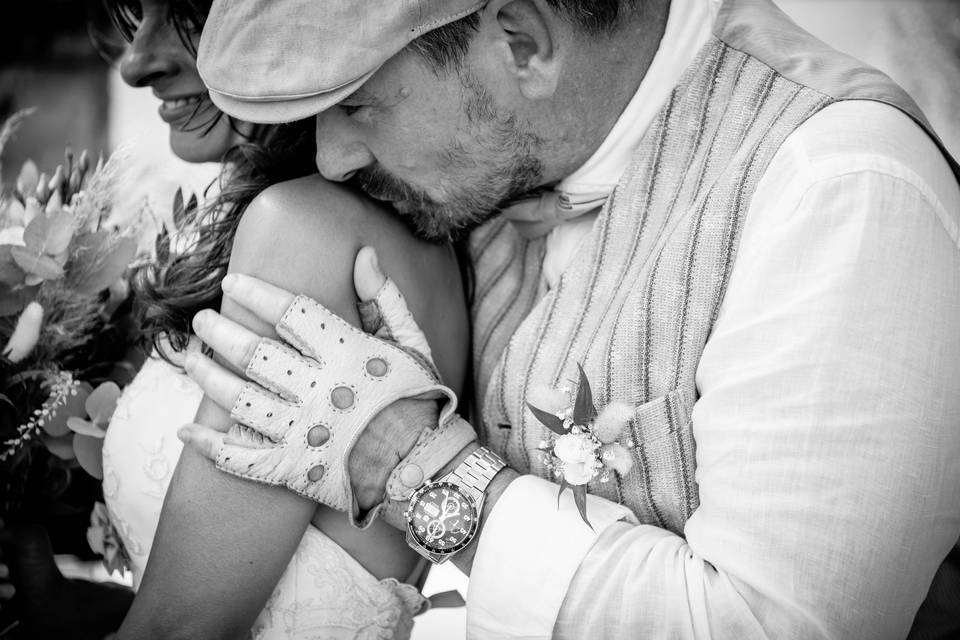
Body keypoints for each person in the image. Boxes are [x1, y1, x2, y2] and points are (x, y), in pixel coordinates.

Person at [163, 0, 960, 638]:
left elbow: (765, 627)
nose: (333, 157)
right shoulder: (489, 182)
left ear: (523, 42)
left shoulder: (839, 183)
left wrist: (414, 460)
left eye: (361, 105)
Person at [0, 0, 469, 638]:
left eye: (191, 12)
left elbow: (182, 630)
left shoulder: (301, 233)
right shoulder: (376, 227)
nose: (136, 63)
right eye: (140, 15)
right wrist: (70, 611)